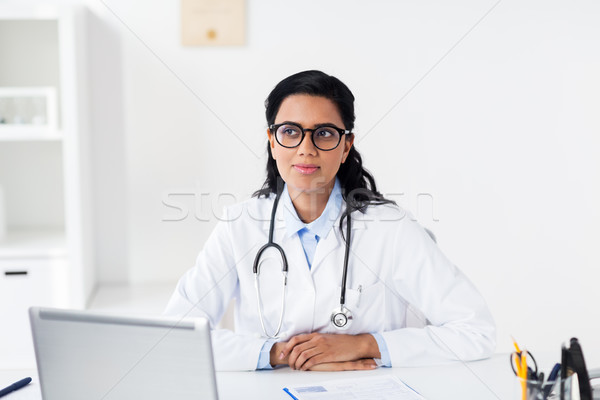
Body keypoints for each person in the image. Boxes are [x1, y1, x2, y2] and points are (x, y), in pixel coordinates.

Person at [164, 70, 496, 371]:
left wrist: (365, 345)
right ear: (272, 141)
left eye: (323, 133)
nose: (306, 149)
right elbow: (174, 337)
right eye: (290, 132)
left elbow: (475, 331)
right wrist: (277, 353)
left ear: (346, 144)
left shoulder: (391, 228)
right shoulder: (239, 226)